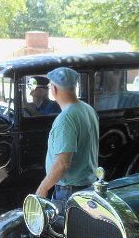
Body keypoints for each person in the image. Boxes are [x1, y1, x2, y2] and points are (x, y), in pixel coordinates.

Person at [35, 67, 99, 213]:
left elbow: (63, 163)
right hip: (88, 187)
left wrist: (43, 189)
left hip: (69, 192)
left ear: (55, 89)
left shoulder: (65, 119)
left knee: (64, 234)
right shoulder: (88, 109)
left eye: (51, 85)